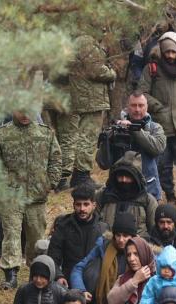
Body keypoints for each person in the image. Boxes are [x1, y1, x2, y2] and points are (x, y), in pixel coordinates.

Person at [0, 111, 61, 290]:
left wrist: (50, 182)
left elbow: (55, 159)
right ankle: (10, 274)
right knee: (11, 234)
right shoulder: (0, 135)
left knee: (36, 237)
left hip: (37, 196)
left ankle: (36, 270)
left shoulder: (45, 133)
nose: (25, 114)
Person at [140, 32, 176, 207]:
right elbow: (143, 93)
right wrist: (156, 106)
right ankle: (170, 196)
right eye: (167, 52)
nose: (171, 56)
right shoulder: (152, 69)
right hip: (161, 126)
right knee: (163, 165)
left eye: (174, 53)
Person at [59, 36, 116, 190]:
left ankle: (62, 178)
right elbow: (95, 69)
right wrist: (112, 73)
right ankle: (80, 176)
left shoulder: (73, 36)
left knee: (69, 137)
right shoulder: (86, 40)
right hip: (89, 97)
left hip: (77, 95)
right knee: (87, 137)